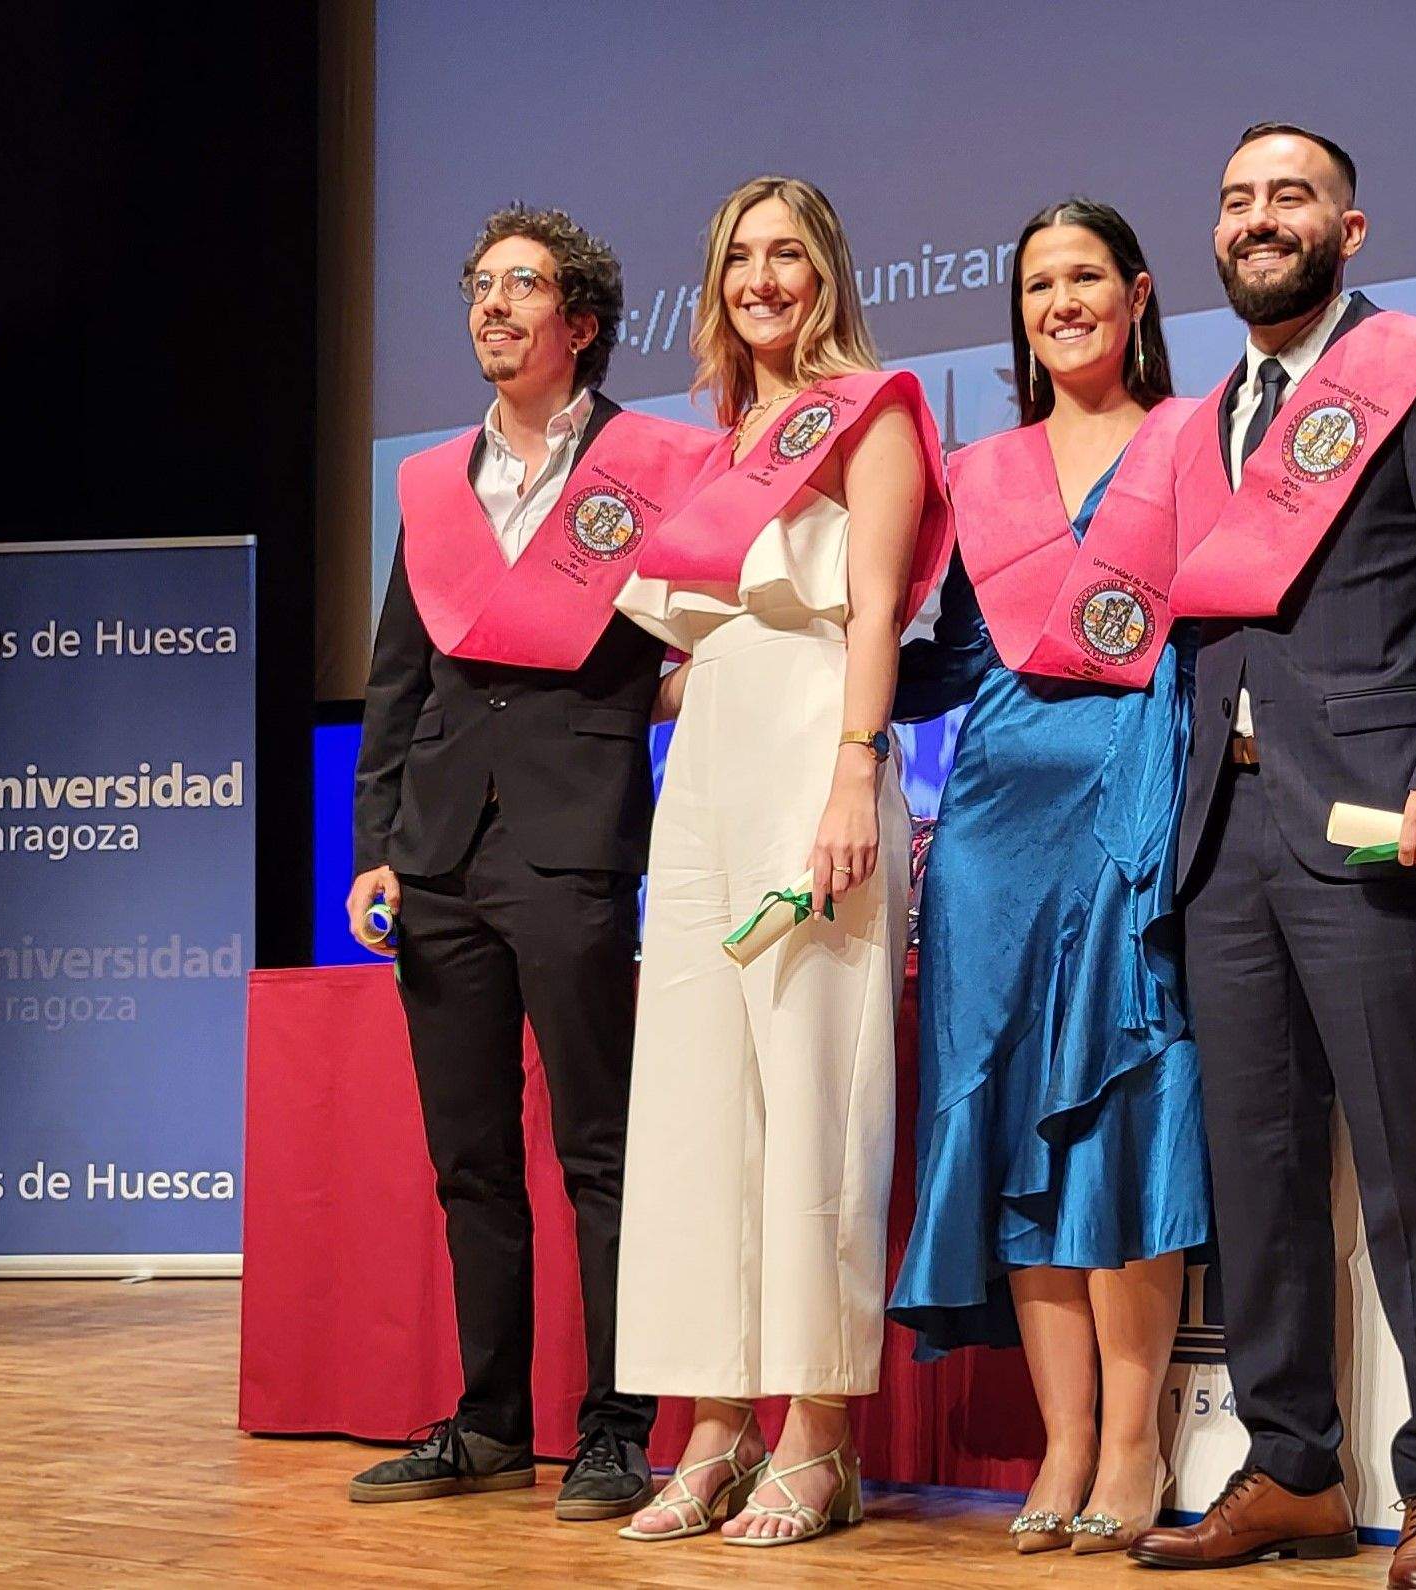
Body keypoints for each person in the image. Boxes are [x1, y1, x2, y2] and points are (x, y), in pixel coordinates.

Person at [1124, 125, 1416, 1590]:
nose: (1258, 221)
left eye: (1288, 197)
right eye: (1234, 200)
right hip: (1225, 840)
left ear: (1349, 229)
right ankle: (1292, 1463)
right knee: (1259, 1173)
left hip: (1377, 830)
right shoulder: (1200, 421)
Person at [347, 204, 719, 1523]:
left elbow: (720, 610)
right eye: (478, 288)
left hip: (573, 839)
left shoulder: (651, 461)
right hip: (441, 850)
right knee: (469, 1155)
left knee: (601, 1149)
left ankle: (617, 1428)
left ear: (584, 323)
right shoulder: (437, 483)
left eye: (522, 288)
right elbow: (398, 678)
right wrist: (377, 844)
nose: (492, 308)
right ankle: (492, 1419)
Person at [608, 175, 949, 1549]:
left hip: (821, 749)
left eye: (787, 253)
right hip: (705, 773)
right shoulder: (716, 445)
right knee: (695, 1100)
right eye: (740, 256)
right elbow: (699, 650)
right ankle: (713, 1422)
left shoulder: (872, 410)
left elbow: (870, 612)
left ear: (829, 272)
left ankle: (820, 1431)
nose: (763, 277)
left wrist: (855, 771)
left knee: (816, 1088)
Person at [886, 199, 1211, 1557]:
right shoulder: (984, 468)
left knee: (1121, 1106)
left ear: (1137, 295)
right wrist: (795, 682)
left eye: (1084, 277)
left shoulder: (1199, 442)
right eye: (1036, 287)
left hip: (1133, 788)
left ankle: (1135, 1440)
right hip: (993, 822)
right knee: (1014, 1114)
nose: (1060, 302)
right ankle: (1064, 1436)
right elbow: (958, 659)